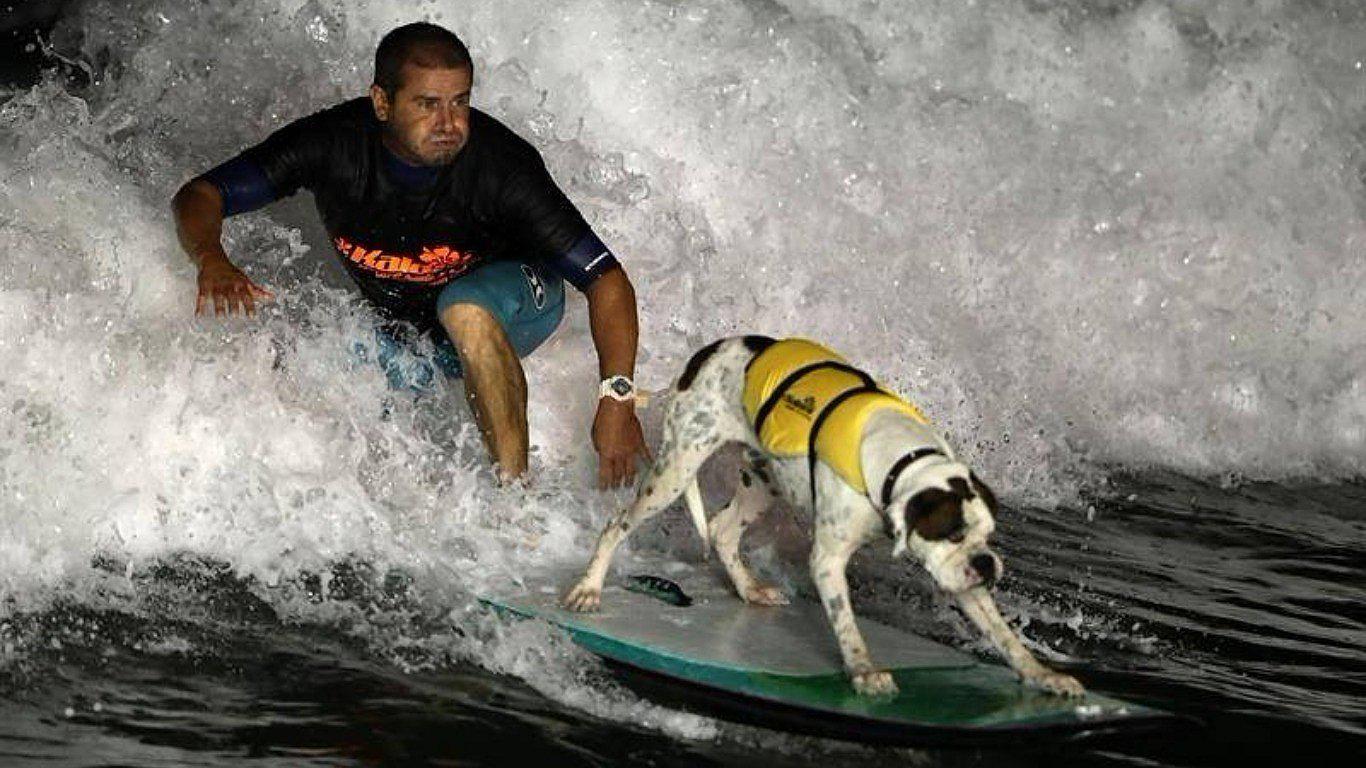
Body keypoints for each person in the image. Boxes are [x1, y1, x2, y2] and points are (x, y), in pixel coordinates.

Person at [171, 22, 648, 488]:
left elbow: (606, 279)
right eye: (427, 105)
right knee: (297, 353)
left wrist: (616, 399)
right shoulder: (331, 144)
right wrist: (212, 258)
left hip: (517, 302)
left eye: (460, 102)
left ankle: (517, 504)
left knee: (464, 308)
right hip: (414, 334)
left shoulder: (502, 166)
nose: (449, 123)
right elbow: (202, 193)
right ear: (382, 102)